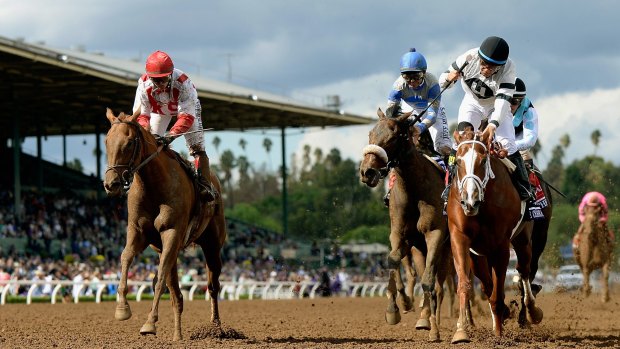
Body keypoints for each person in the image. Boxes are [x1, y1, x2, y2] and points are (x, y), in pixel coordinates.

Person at [438, 36, 538, 217]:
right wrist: (448, 79)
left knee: (508, 144)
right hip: (472, 103)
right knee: (460, 142)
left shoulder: (509, 68)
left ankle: (525, 189)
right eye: (484, 63)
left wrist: (493, 124)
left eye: (492, 67)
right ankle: (448, 186)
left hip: (496, 105)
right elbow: (441, 82)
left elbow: (501, 103)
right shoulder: (468, 57)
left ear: (500, 65)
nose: (486, 69)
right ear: (479, 57)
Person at [133, 50, 217, 202]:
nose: (160, 84)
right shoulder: (143, 84)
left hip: (187, 110)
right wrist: (147, 132)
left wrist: (170, 137)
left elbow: (186, 116)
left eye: (163, 79)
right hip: (159, 111)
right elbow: (142, 116)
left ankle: (204, 185)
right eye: (156, 80)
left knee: (197, 146)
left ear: (170, 74)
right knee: (150, 144)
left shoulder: (184, 83)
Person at [383, 48, 452, 206]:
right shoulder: (398, 85)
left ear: (424, 73)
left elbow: (432, 116)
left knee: (444, 147)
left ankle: (451, 185)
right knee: (397, 145)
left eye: (416, 76)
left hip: (432, 111)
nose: (412, 81)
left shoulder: (433, 83)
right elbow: (391, 113)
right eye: (407, 76)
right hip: (409, 110)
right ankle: (391, 187)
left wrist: (418, 129)